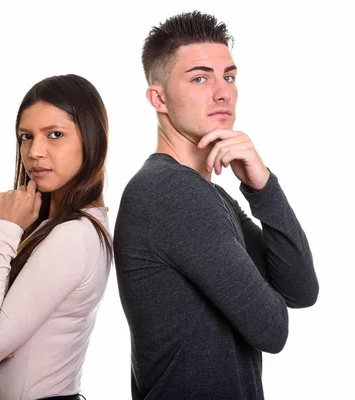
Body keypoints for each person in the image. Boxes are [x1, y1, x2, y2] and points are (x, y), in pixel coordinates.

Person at [113, 11, 319, 399]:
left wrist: (263, 185)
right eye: (199, 78)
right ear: (158, 97)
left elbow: (301, 289)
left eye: (229, 76)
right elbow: (273, 330)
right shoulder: (170, 192)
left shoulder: (210, 195)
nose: (223, 91)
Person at [0, 74, 112, 400]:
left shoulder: (74, 235)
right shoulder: (57, 227)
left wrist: (3, 229)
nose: (35, 152)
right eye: (26, 137)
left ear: (91, 138)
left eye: (55, 135)